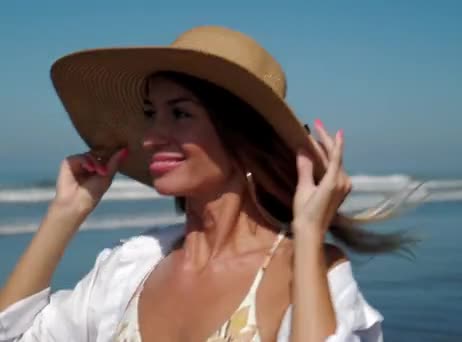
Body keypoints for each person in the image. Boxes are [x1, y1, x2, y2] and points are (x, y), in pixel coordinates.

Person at [0, 26, 413, 341]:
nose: (149, 137)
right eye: (150, 114)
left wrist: (307, 236)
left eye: (180, 114)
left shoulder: (307, 270)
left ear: (240, 135)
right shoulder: (133, 266)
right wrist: (64, 213)